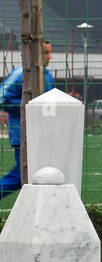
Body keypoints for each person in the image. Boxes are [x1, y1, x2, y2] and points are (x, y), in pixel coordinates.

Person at [1, 42, 56, 198]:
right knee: (23, 175)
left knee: (36, 174)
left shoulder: (47, 75)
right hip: (22, 134)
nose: (49, 57)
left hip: (43, 135)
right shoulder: (21, 74)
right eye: (46, 52)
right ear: (33, 53)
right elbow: (2, 98)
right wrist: (27, 108)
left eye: (50, 52)